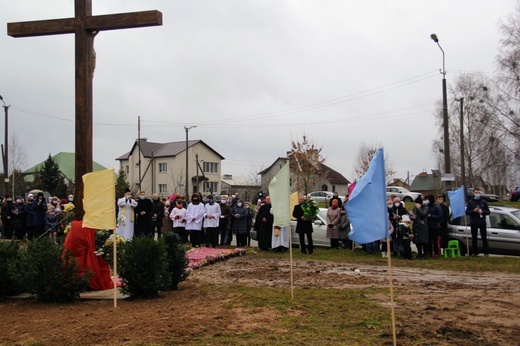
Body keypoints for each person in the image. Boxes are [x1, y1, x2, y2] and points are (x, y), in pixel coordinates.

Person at [466, 187, 490, 256]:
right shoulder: (470, 202)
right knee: (474, 238)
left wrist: (482, 212)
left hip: (482, 222)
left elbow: (488, 212)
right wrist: (473, 211)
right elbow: (467, 212)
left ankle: (486, 252)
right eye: (476, 193)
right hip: (474, 222)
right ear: (473, 193)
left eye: (479, 193)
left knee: (484, 238)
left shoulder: (483, 201)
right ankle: (475, 252)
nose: (477, 194)